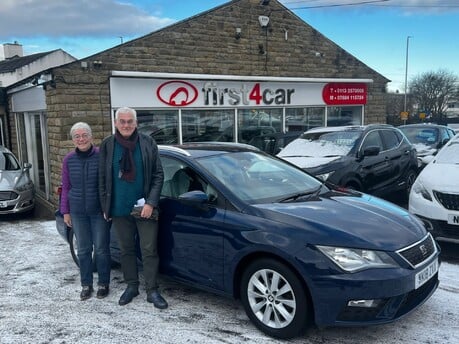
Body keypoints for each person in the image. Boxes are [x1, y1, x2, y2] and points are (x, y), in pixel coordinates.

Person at [98, 106, 168, 309]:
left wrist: (151, 202)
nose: (126, 125)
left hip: (143, 208)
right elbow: (102, 178)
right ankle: (131, 286)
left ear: (136, 123)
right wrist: (105, 205)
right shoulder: (108, 145)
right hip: (119, 208)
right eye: (122, 121)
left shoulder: (147, 143)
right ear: (116, 123)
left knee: (149, 250)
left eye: (130, 121)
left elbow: (158, 175)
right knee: (125, 249)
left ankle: (152, 290)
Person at [60, 122, 111, 301]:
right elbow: (66, 187)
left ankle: (104, 283)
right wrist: (65, 211)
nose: (81, 139)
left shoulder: (101, 157)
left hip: (98, 212)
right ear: (73, 139)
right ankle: (86, 284)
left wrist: (107, 207)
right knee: (83, 250)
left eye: (84, 135)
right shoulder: (68, 160)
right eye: (77, 136)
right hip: (78, 212)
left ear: (91, 137)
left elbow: (108, 185)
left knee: (102, 249)